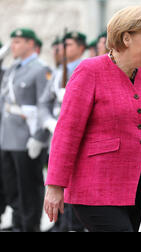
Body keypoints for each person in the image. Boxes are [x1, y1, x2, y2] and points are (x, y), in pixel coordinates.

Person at [43, 5, 141, 232]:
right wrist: (55, 186)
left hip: (137, 187)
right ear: (126, 38)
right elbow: (67, 131)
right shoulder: (89, 70)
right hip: (95, 187)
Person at [0, 28, 51, 232]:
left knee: (29, 188)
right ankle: (19, 223)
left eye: (18, 41)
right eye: (12, 42)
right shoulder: (12, 69)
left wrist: (39, 137)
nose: (13, 45)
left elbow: (44, 105)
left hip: (26, 139)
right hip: (7, 138)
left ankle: (30, 226)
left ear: (31, 44)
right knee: (12, 188)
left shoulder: (40, 69)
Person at [39, 31, 88, 232]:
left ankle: (71, 224)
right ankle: (58, 223)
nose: (62, 49)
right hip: (57, 134)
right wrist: (49, 121)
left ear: (80, 47)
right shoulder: (59, 71)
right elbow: (44, 102)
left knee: (71, 185)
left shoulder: (86, 68)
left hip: (76, 137)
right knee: (56, 180)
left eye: (68, 45)